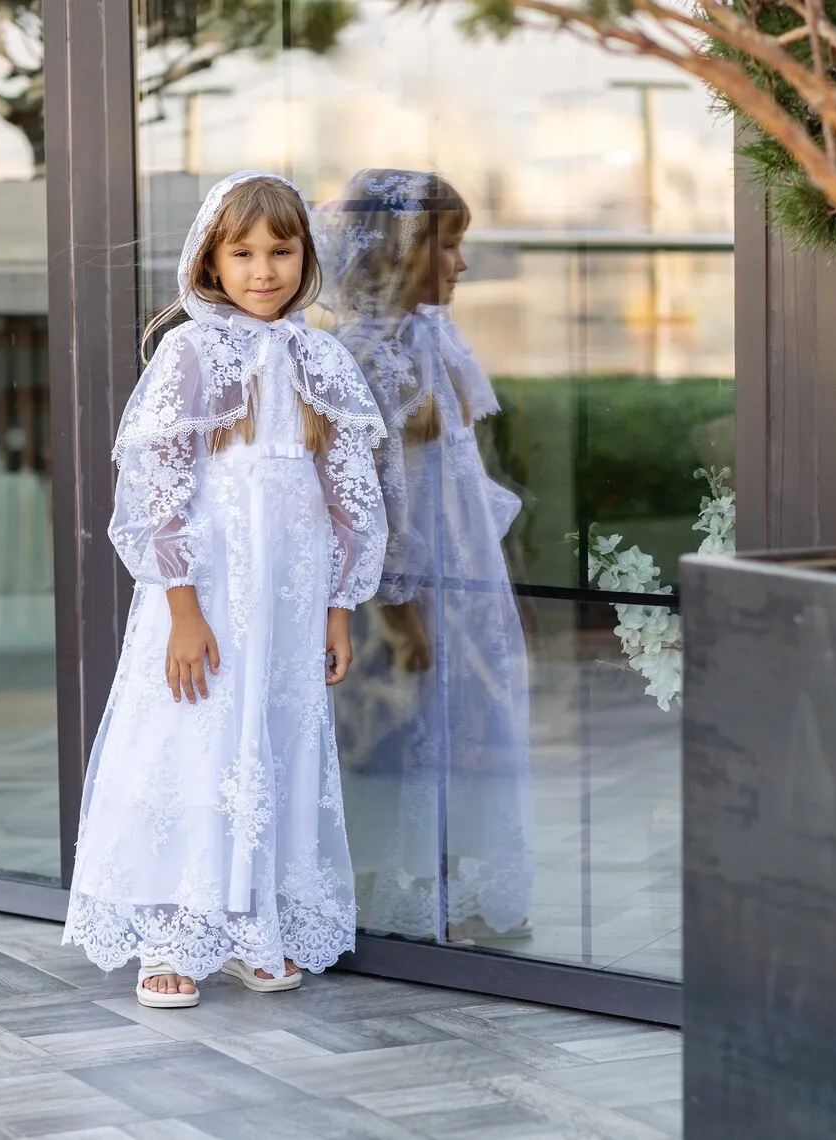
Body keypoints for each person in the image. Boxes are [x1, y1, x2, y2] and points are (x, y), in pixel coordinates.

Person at [62, 171, 388, 1008]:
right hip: (206, 598)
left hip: (291, 601)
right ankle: (173, 932)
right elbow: (155, 492)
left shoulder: (322, 357)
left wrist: (339, 610)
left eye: (281, 251)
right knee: (195, 740)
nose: (264, 270)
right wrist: (180, 611)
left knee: (271, 743)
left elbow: (350, 498)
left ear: (304, 256)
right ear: (210, 260)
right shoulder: (191, 353)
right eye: (242, 253)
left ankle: (254, 926)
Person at [316, 169, 534, 945]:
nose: (462, 265)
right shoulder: (364, 355)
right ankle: (389, 892)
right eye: (449, 244)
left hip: (458, 577)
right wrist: (401, 613)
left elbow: (462, 478)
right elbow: (369, 494)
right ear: (402, 249)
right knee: (396, 741)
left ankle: (444, 881)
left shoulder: (428, 338)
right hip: (400, 595)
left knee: (466, 734)